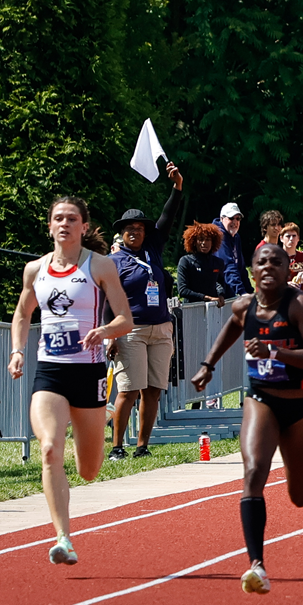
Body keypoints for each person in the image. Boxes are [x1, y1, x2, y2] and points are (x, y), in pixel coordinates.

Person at [190, 242, 303, 594]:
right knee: (253, 472)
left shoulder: (300, 305)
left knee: (299, 496)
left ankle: (260, 558)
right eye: (261, 262)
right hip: (262, 398)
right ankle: (257, 566)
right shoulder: (244, 305)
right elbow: (232, 326)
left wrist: (274, 351)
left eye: (276, 262)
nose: (268, 266)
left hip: (301, 407)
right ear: (252, 270)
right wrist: (208, 365)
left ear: (287, 269)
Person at [8, 196, 136, 564]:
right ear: (49, 225)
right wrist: (17, 350)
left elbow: (125, 319)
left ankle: (103, 416)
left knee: (88, 470)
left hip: (88, 373)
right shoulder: (35, 269)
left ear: (84, 226)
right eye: (58, 218)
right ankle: (63, 538)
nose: (64, 224)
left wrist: (105, 331)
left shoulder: (100, 265)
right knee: (50, 448)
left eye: (71, 219)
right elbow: (22, 314)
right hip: (50, 371)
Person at [106, 164, 185, 459]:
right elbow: (106, 301)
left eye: (139, 229)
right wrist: (111, 335)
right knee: (128, 389)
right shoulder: (114, 262)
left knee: (152, 390)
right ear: (122, 233)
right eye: (130, 229)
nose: (135, 233)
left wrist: (177, 187)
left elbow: (168, 216)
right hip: (131, 330)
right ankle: (117, 447)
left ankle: (142, 447)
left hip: (161, 328)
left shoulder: (153, 249)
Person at [178, 223, 233, 304]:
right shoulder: (186, 261)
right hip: (191, 307)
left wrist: (221, 294)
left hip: (213, 307)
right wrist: (205, 298)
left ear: (213, 242)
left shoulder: (218, 262)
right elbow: (182, 290)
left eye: (208, 239)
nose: (204, 243)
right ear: (194, 242)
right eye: (200, 239)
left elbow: (220, 283)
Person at [215, 203, 249, 294]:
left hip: (230, 291)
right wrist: (242, 292)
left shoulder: (236, 237)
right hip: (217, 293)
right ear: (222, 219)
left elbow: (241, 267)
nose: (235, 222)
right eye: (231, 218)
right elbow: (228, 266)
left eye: (238, 218)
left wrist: (249, 292)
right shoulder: (219, 236)